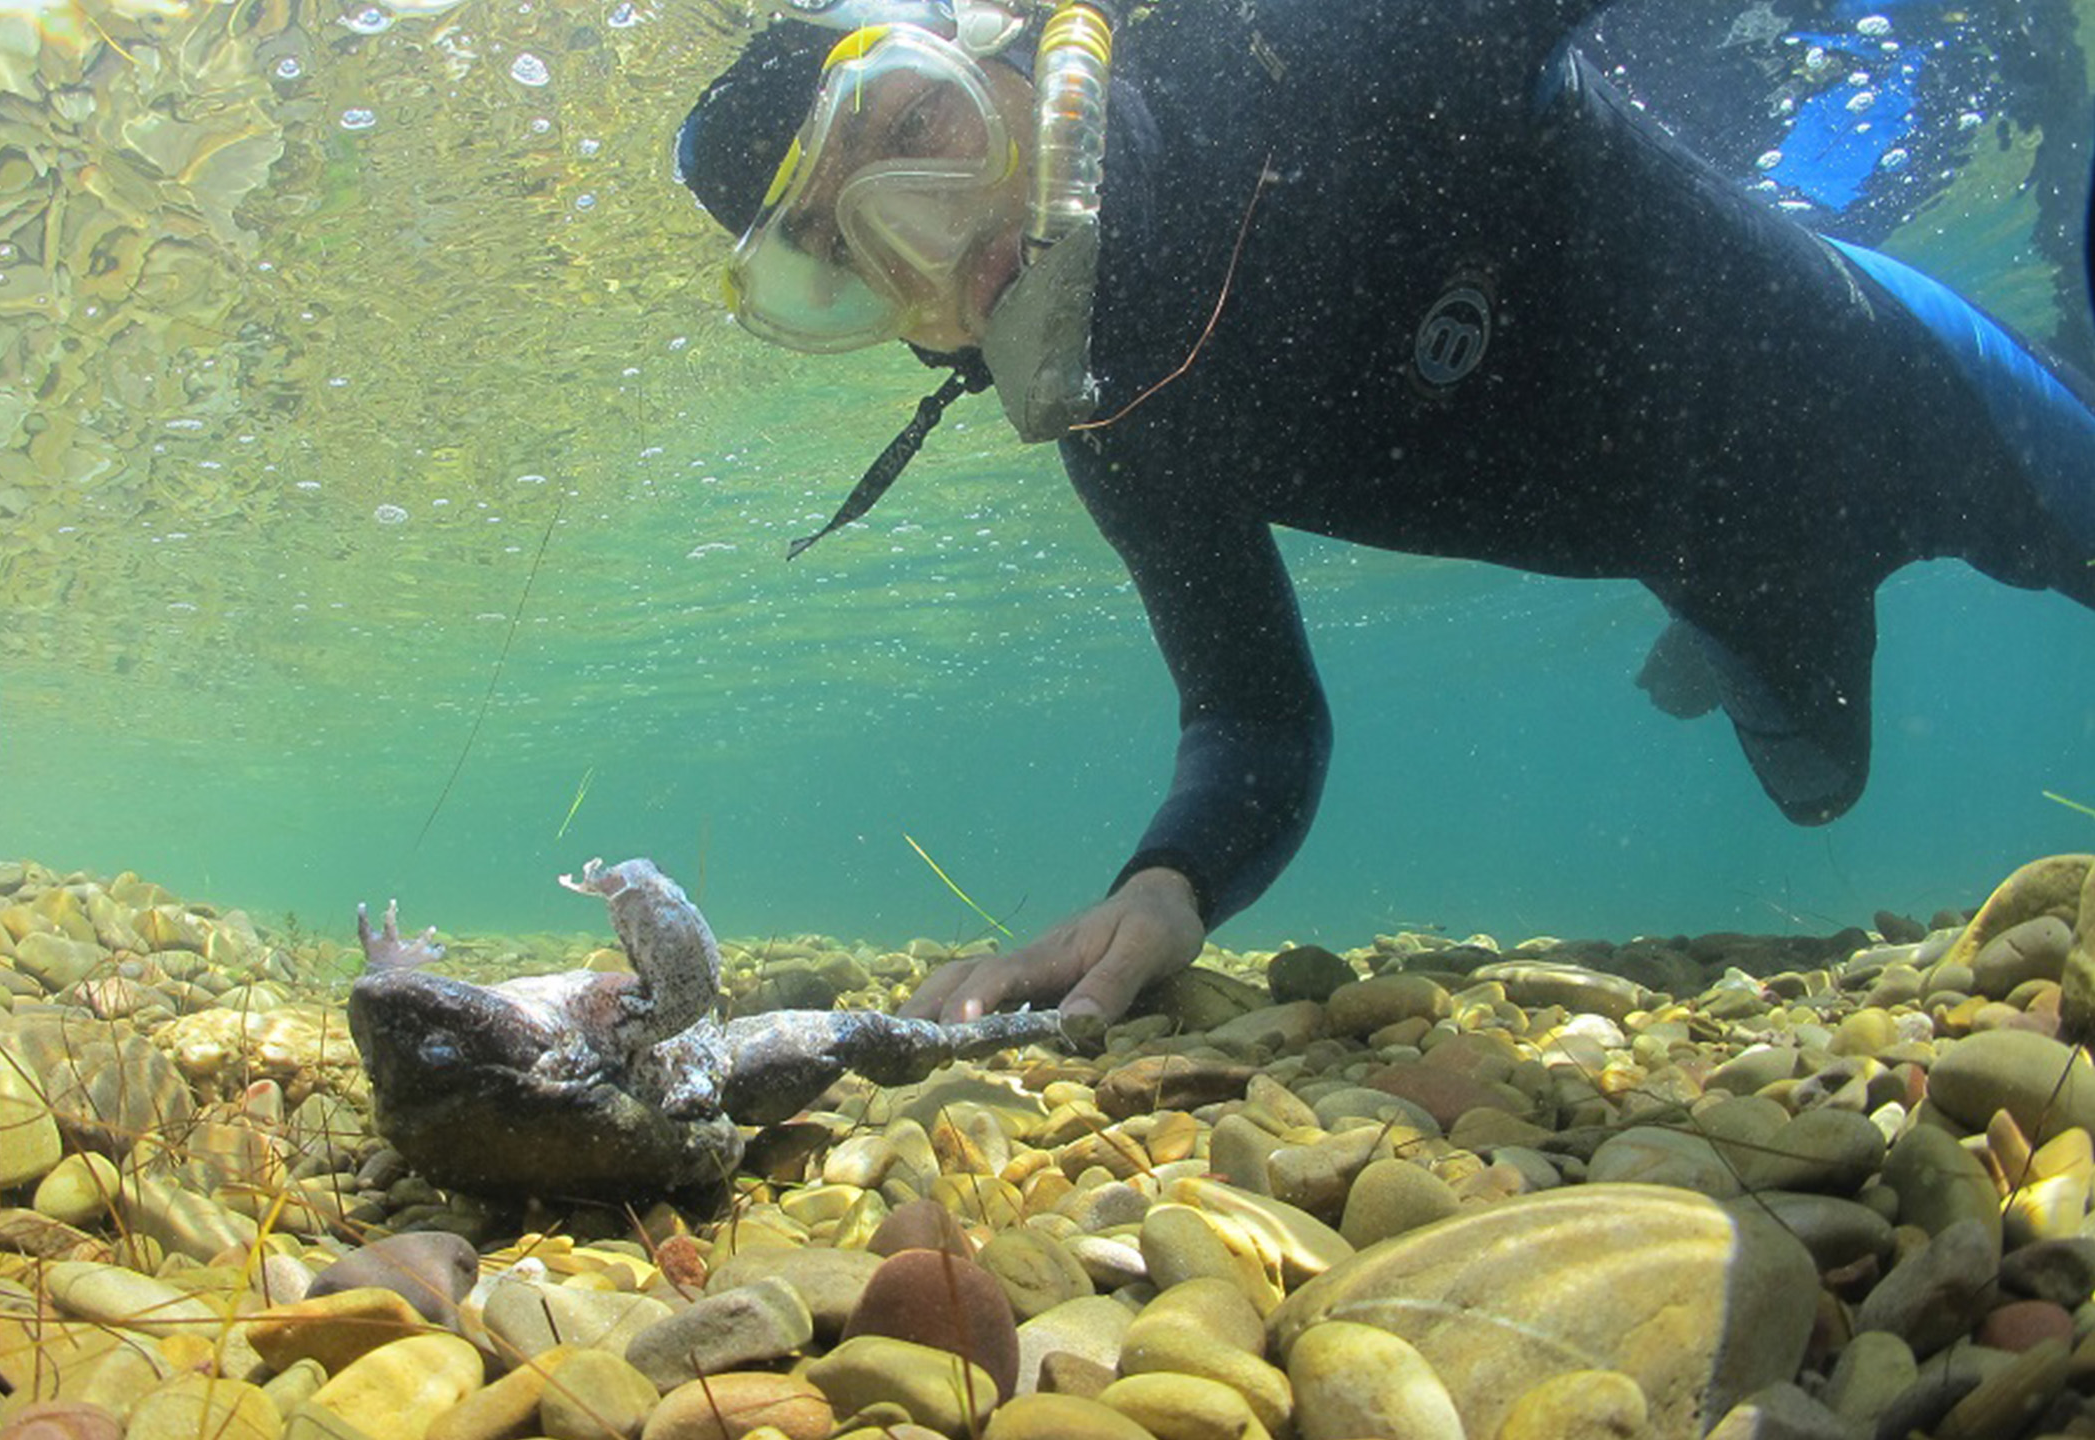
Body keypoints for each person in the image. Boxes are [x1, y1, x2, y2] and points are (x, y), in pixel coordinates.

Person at [672, 0, 2095, 1027]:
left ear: (1007, 45)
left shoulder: (1311, 44)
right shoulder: (1126, 421)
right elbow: (1255, 719)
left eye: (918, 127)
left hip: (1915, 410)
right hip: (1733, 571)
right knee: (1819, 791)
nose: (936, 238)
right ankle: (1715, 631)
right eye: (847, 249)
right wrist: (1169, 885)